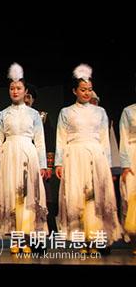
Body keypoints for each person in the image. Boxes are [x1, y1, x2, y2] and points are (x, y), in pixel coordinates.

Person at [55, 64, 122, 253]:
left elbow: (105, 141)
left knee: (93, 197)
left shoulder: (100, 112)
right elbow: (61, 138)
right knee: (77, 197)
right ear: (74, 91)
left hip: (95, 156)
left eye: (89, 89)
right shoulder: (66, 112)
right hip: (74, 156)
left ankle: (93, 240)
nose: (86, 93)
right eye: (83, 90)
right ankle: (82, 241)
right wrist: (59, 162)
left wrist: (108, 166)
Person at [0, 63, 48, 254]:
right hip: (9, 155)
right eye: (12, 88)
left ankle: (27, 239)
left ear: (25, 91)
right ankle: (15, 238)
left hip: (28, 154)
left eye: (19, 88)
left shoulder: (34, 115)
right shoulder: (3, 114)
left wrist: (43, 165)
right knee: (12, 195)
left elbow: (40, 141)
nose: (15, 91)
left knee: (27, 195)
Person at [24, 83, 56, 233]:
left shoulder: (42, 116)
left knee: (43, 193)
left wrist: (48, 165)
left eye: (29, 97)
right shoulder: (11, 115)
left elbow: (48, 141)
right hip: (21, 159)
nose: (26, 99)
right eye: (24, 96)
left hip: (39, 160)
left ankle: (48, 228)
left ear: (33, 99)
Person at [119, 79, 136, 255]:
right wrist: (125, 164)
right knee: (131, 197)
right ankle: (134, 241)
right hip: (133, 155)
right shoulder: (129, 111)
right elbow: (123, 138)